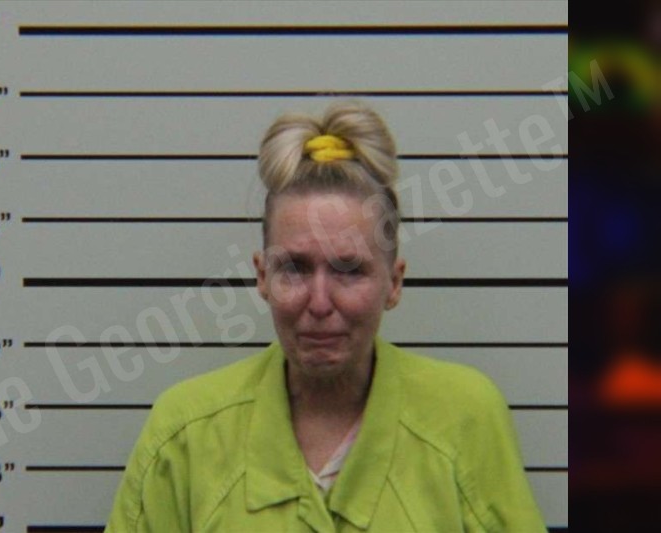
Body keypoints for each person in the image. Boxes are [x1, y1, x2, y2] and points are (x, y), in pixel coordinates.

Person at [104, 101, 547, 532]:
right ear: (262, 277)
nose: (319, 303)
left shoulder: (465, 419)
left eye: (349, 270)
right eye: (294, 268)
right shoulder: (183, 435)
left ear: (394, 282)